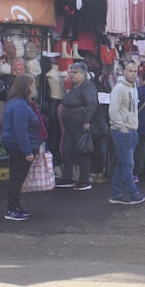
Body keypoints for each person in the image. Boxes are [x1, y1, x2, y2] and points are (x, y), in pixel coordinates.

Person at [0, 74, 43, 221]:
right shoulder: (20, 105)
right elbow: (21, 130)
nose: (34, 87)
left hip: (16, 145)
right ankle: (12, 209)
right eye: (32, 84)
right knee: (17, 178)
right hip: (19, 147)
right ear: (27, 86)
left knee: (16, 177)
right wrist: (27, 151)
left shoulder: (18, 103)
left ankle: (15, 206)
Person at [109, 61, 145, 204]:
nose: (133, 73)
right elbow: (113, 110)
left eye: (135, 71)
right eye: (130, 71)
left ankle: (115, 193)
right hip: (123, 130)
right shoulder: (119, 88)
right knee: (128, 163)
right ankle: (133, 193)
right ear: (124, 72)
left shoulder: (133, 88)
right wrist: (122, 127)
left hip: (132, 129)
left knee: (122, 163)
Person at [56, 61, 98, 191]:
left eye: (75, 72)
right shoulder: (76, 87)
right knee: (67, 150)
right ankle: (67, 177)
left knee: (82, 151)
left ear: (83, 73)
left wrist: (87, 121)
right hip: (69, 127)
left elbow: (92, 103)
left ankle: (84, 180)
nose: (72, 75)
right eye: (71, 72)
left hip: (80, 125)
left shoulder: (87, 86)